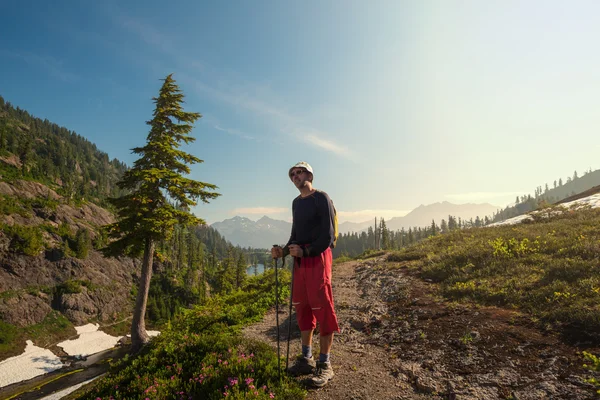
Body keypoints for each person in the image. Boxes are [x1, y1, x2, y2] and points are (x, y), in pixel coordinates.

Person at [271, 161, 340, 388]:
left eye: (298, 172)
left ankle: (325, 365)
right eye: (291, 174)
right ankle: (306, 358)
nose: (294, 176)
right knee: (303, 307)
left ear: (309, 174)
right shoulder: (295, 203)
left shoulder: (321, 198)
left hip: (317, 258)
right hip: (300, 261)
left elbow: (328, 236)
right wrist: (283, 251)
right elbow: (295, 235)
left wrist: (307, 251)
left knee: (322, 307)